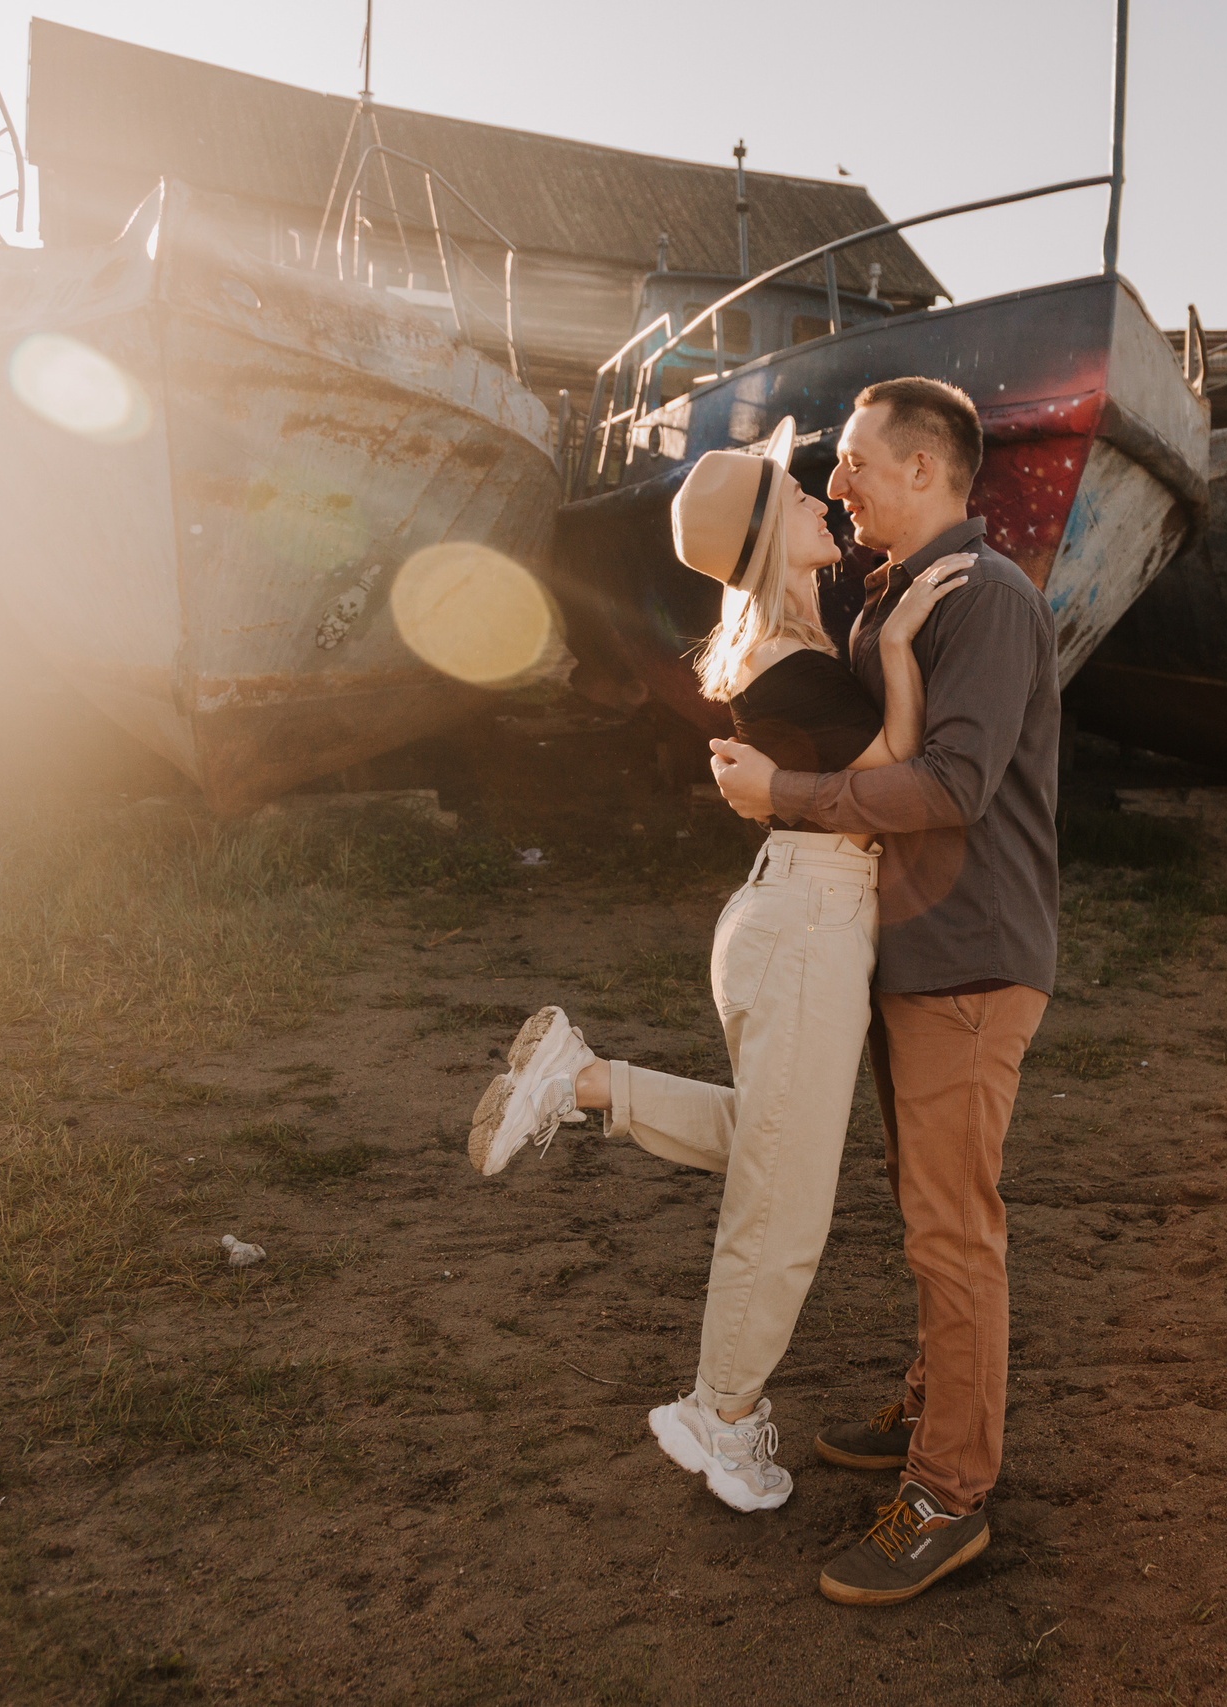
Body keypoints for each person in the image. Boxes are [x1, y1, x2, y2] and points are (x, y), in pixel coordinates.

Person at [462, 415, 973, 1519]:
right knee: (782, 1207)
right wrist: (895, 651)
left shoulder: (787, 642)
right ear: (765, 540)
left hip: (800, 913)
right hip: (803, 922)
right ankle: (720, 1413)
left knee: (770, 1150)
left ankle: (581, 1081)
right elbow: (895, 765)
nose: (817, 502)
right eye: (794, 499)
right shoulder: (781, 661)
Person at [709, 376, 1058, 1608]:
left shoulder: (987, 600)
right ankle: (932, 1399)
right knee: (930, 1216)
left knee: (953, 1231)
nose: (837, 481)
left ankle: (949, 1494)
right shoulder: (897, 595)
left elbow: (954, 786)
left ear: (924, 471)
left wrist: (786, 798)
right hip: (912, 953)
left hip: (969, 956)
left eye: (854, 461)